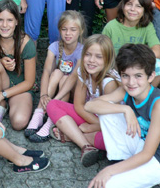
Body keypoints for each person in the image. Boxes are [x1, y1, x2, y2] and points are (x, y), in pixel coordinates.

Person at [85, 43, 160, 188]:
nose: (131, 82)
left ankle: (155, 175)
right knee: (107, 111)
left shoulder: (159, 105)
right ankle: (122, 160)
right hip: (142, 144)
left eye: (138, 76)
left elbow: (147, 154)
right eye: (125, 76)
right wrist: (126, 109)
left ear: (151, 76)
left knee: (106, 184)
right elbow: (90, 106)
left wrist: (108, 171)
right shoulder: (126, 90)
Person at [46, 34, 120, 167]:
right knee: (52, 104)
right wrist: (92, 126)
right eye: (88, 55)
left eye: (98, 57)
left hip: (111, 125)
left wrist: (92, 127)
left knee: (110, 141)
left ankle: (72, 135)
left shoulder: (109, 82)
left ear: (108, 59)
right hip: (92, 117)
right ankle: (86, 145)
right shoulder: (83, 72)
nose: (91, 60)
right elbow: (79, 106)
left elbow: (113, 121)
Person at [26, 10, 85, 142]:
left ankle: (52, 120)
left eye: (73, 29)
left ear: (80, 31)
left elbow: (73, 77)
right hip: (57, 89)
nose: (68, 33)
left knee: (65, 78)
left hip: (73, 90)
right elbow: (46, 72)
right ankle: (39, 112)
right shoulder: (54, 47)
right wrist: (43, 95)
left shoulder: (82, 50)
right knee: (57, 72)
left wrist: (54, 101)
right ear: (59, 30)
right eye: (64, 29)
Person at [0, 0, 36, 130]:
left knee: (19, 122)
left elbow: (29, 82)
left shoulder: (26, 43)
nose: (4, 25)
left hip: (20, 88)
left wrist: (1, 95)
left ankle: (0, 99)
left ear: (16, 21)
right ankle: (2, 105)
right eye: (0, 20)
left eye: (9, 20)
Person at [102, 0, 160, 86]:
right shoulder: (111, 27)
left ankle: (145, 94)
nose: (132, 9)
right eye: (129, 4)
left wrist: (135, 58)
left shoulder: (147, 26)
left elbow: (157, 51)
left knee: (159, 65)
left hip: (137, 67)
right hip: (116, 68)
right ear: (122, 5)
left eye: (138, 6)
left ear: (145, 9)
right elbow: (102, 52)